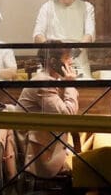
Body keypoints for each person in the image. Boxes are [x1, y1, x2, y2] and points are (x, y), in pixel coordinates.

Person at [16, 42, 79, 179]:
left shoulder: (48, 80)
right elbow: (68, 117)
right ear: (53, 62)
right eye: (67, 57)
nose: (71, 61)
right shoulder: (43, 84)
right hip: (40, 157)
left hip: (47, 147)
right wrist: (70, 84)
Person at [32, 0, 95, 78]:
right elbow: (38, 34)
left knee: (82, 91)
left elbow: (89, 34)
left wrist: (74, 52)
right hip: (52, 59)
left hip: (77, 57)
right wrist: (54, 51)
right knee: (48, 90)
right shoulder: (47, 7)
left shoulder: (86, 7)